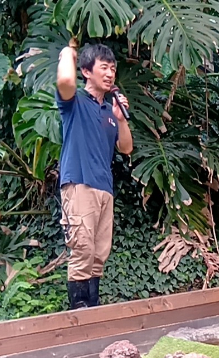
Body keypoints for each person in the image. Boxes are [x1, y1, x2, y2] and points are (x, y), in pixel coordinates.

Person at [55, 42, 133, 309]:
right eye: (104, 67)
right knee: (83, 250)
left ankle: (94, 310)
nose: (110, 74)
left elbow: (126, 148)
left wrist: (120, 119)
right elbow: (66, 80)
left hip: (104, 188)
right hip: (79, 184)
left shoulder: (109, 111)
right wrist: (68, 53)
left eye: (113, 69)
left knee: (99, 254)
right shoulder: (74, 102)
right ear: (86, 71)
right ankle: (79, 315)